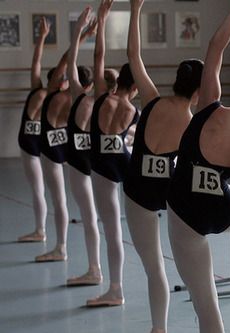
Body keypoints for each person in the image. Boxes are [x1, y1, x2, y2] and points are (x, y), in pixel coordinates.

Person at [165, 1, 230, 331]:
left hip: (185, 215)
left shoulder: (210, 104)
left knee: (206, 304)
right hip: (224, 211)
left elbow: (215, 45)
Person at [124, 1, 203, 331]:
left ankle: (159, 329)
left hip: (137, 195)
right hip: (170, 196)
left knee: (154, 268)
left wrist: (135, 9)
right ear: (198, 90)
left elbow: (134, 57)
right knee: (191, 271)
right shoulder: (192, 124)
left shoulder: (151, 100)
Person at [87, 0, 139, 307]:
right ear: (134, 87)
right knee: (120, 226)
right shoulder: (133, 109)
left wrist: (103, 20)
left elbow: (98, 57)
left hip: (102, 169)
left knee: (112, 228)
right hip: (124, 163)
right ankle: (115, 288)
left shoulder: (101, 98)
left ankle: (116, 289)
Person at [35, 22, 95, 262]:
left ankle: (61, 246)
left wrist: (80, 34)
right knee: (67, 200)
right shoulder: (77, 99)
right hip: (64, 149)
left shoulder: (53, 93)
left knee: (59, 199)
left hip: (52, 150)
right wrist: (85, 35)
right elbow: (66, 61)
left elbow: (64, 59)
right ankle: (60, 246)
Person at [64, 7, 102, 286]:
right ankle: (95, 268)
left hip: (80, 164)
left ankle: (95, 269)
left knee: (90, 219)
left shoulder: (81, 97)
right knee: (93, 218)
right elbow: (85, 62)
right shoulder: (96, 100)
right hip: (92, 163)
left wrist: (79, 30)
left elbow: (71, 63)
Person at [17, 17, 50, 243]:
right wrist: (41, 38)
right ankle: (40, 229)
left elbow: (36, 62)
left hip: (32, 147)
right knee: (40, 189)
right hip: (34, 145)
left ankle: (40, 230)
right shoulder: (46, 94)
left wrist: (42, 38)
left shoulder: (46, 95)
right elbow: (36, 63)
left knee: (39, 189)